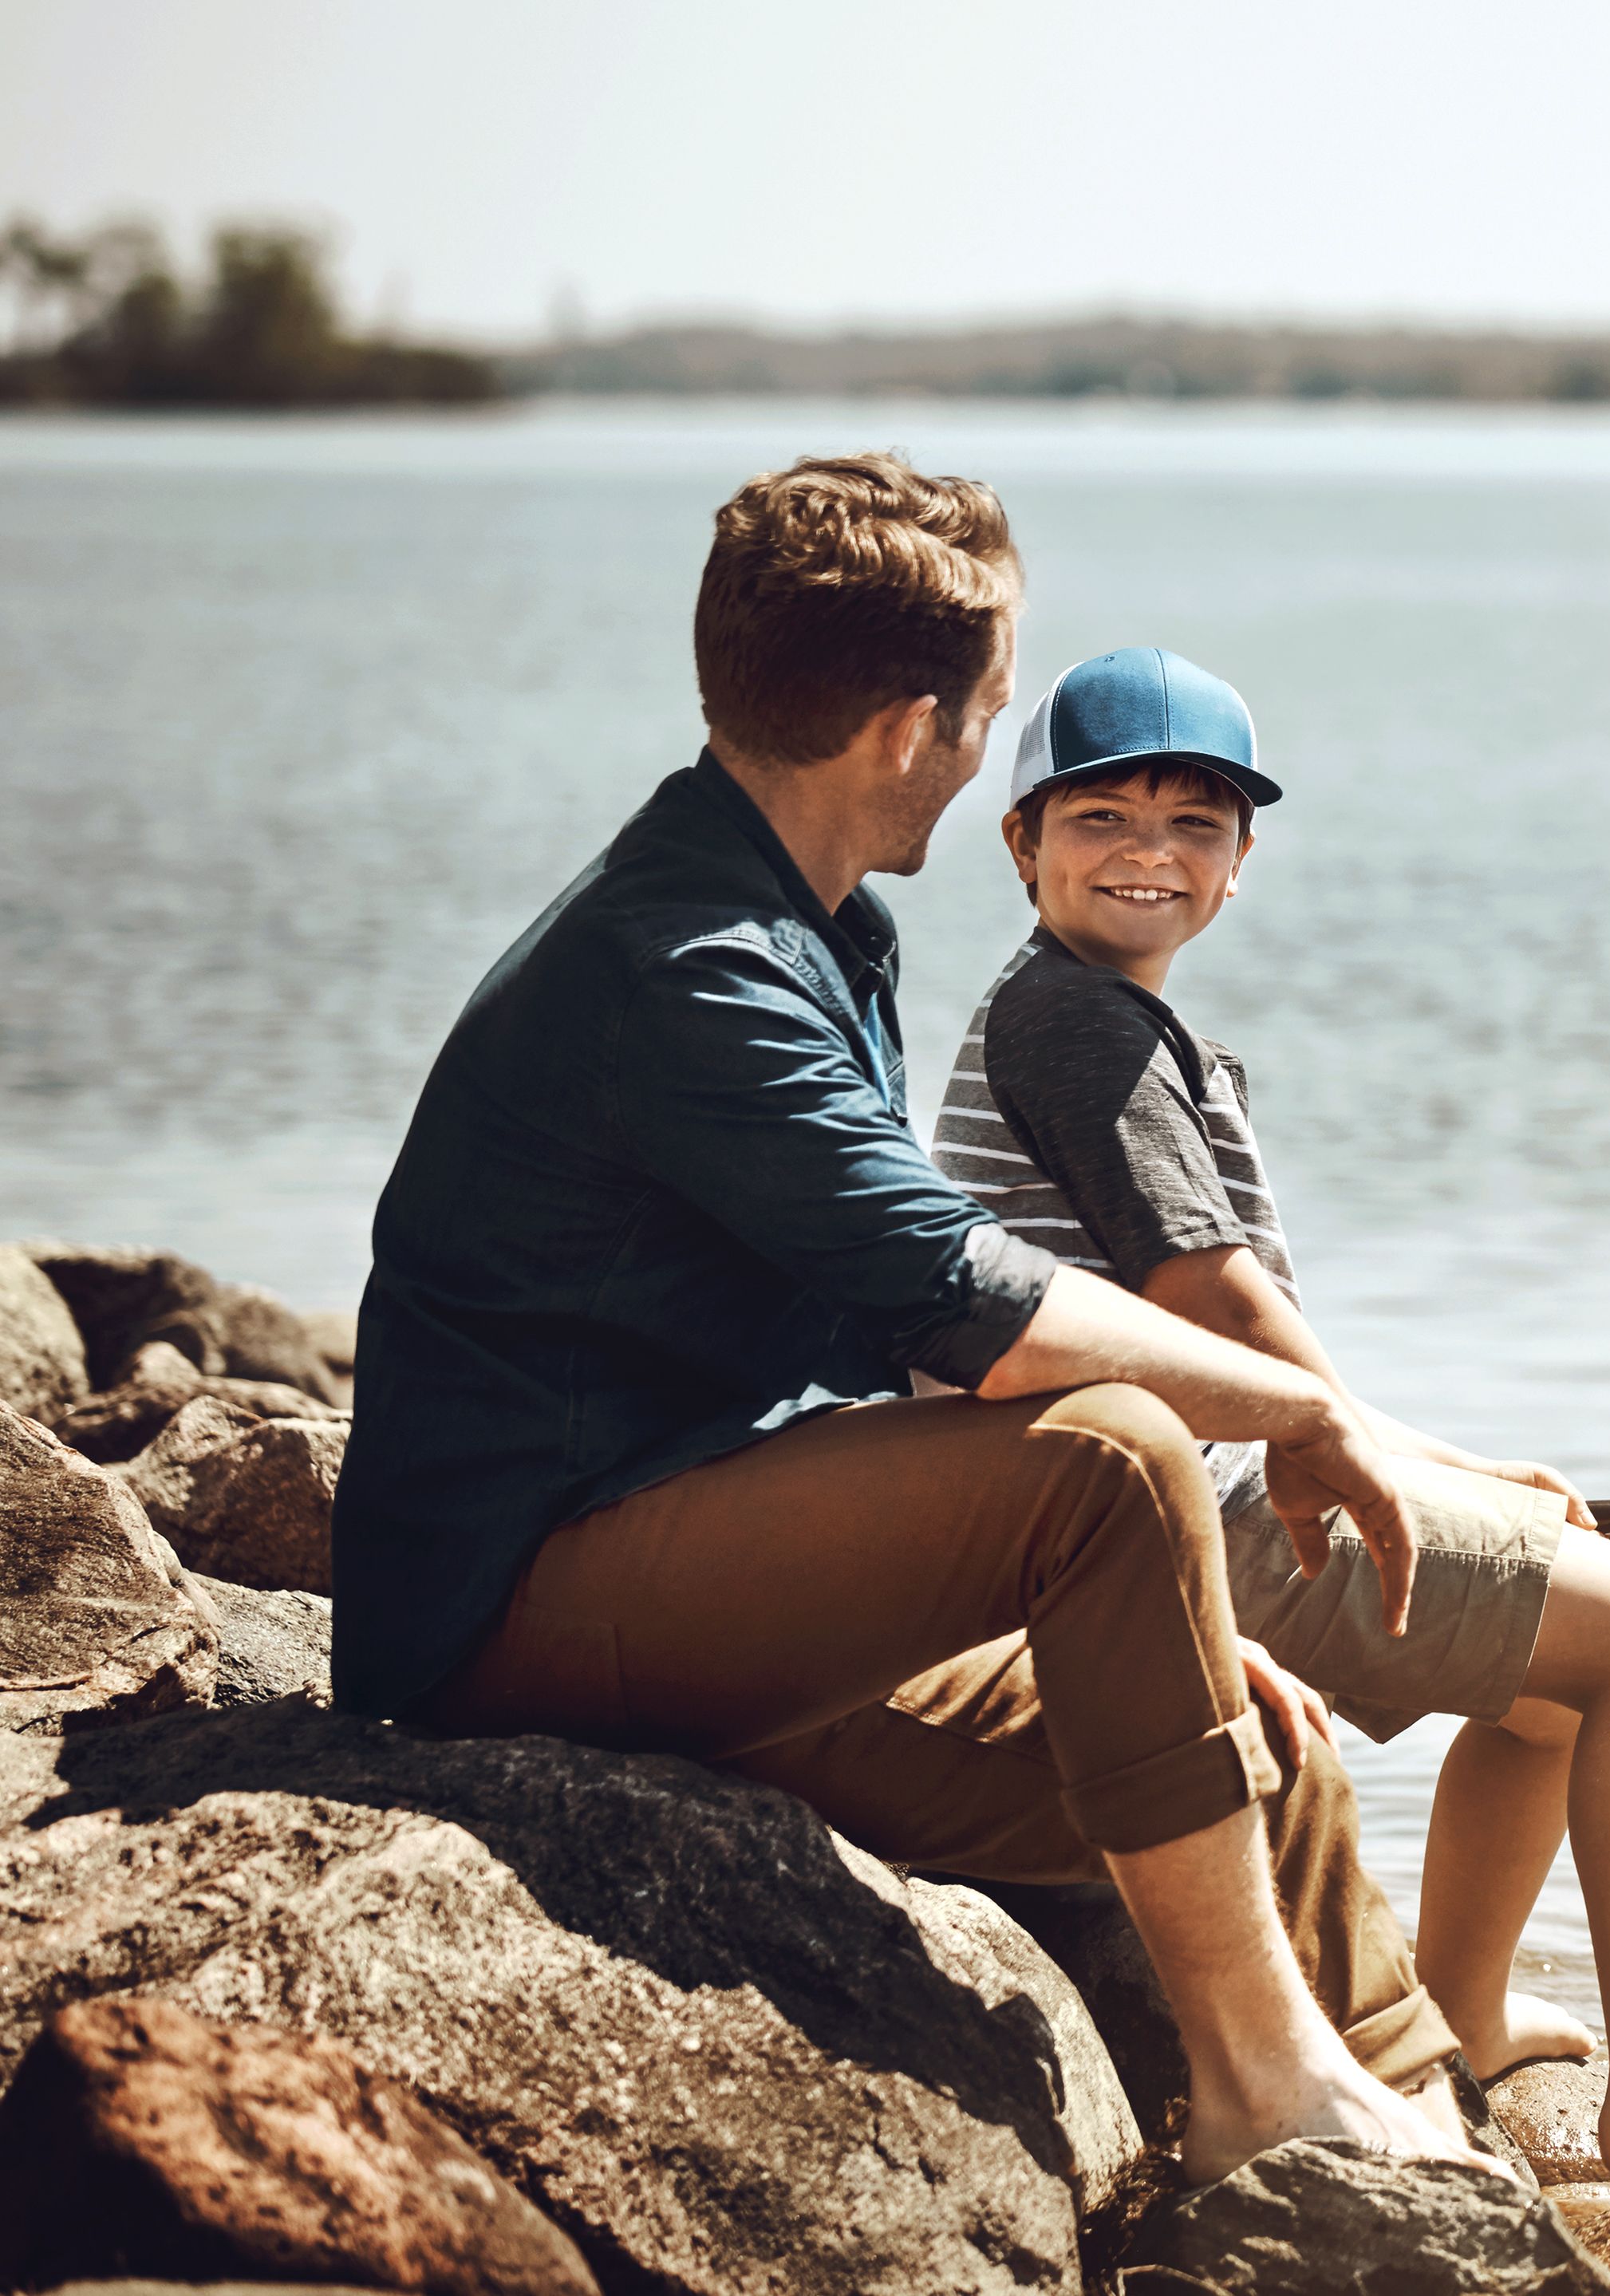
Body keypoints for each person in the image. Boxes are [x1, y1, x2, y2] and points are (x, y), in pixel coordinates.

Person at [329, 452, 1475, 2185]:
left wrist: (1149, 1630)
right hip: (520, 1605)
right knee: (1110, 1458)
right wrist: (1304, 1413)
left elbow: (873, 1324)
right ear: (903, 728)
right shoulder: (695, 968)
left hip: (704, 1539)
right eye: (988, 710)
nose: (984, 743)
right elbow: (976, 1305)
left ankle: (1435, 2165)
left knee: (1266, 1757)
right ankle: (1259, 2085)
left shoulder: (819, 930)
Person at [929, 647, 1610, 2193]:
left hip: (1176, 1481)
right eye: (1101, 816)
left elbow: (1228, 1325)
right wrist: (1395, 1454)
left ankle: (1464, 2006)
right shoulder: (1080, 1028)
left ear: (1243, 863)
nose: (1149, 854)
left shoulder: (1085, 1013)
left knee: (1561, 1686)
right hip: (1162, 1518)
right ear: (1021, 838)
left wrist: (1434, 1458)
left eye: (1195, 823)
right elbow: (1211, 1297)